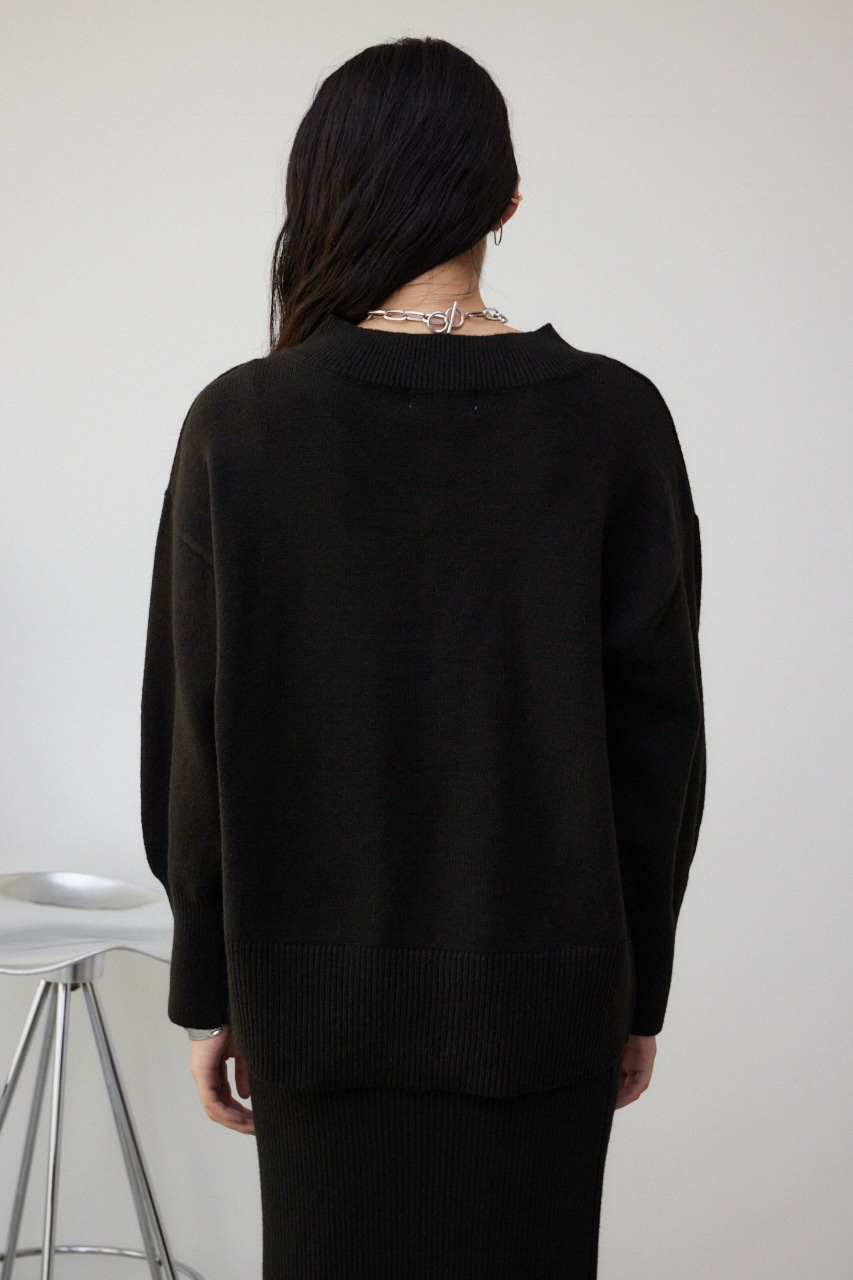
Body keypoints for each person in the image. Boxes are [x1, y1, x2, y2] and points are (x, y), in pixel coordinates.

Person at [140, 35, 706, 1280]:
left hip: (310, 1007)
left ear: (321, 193)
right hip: (546, 1005)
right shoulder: (614, 419)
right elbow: (657, 742)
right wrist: (635, 990)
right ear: (507, 199)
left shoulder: (241, 423)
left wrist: (209, 987)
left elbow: (194, 735)